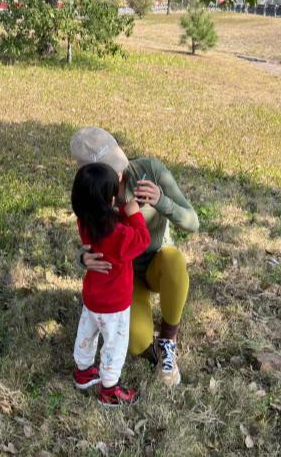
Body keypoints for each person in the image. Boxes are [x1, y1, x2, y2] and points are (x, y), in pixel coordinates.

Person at [70, 127, 199, 387]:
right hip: (123, 278)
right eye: (110, 170)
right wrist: (82, 258)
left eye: (119, 164)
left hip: (156, 262)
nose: (119, 174)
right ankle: (147, 344)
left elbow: (193, 222)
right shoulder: (91, 190)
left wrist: (161, 201)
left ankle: (168, 338)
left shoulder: (148, 171)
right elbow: (87, 237)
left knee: (174, 261)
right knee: (136, 341)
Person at [71, 161, 151, 406]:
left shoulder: (85, 221)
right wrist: (135, 213)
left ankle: (83, 372)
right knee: (115, 345)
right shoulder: (119, 233)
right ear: (107, 199)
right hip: (115, 303)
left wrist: (122, 213)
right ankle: (110, 389)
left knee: (87, 333)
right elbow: (142, 240)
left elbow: (111, 226)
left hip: (93, 297)